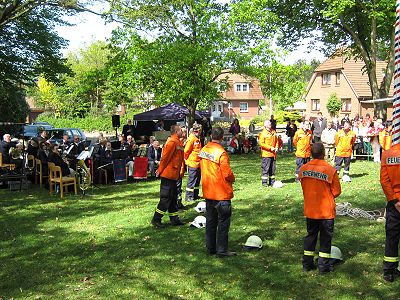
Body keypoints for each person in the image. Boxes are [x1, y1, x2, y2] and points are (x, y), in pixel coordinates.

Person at [299, 143, 341, 274]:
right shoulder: (330, 170)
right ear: (323, 153)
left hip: (310, 210)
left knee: (310, 236)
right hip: (326, 212)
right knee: (325, 239)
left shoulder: (303, 169)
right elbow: (337, 191)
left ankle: (307, 264)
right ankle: (323, 267)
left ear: (311, 153)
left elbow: (304, 186)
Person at [199, 127, 236, 257]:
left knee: (210, 221)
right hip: (221, 192)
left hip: (208, 191)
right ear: (222, 137)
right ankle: (222, 250)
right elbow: (227, 173)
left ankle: (211, 248)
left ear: (210, 136)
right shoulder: (221, 152)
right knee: (223, 222)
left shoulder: (203, 150)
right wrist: (233, 178)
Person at [151, 125, 185, 227]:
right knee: (166, 198)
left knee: (173, 198)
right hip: (168, 175)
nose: (182, 132)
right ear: (176, 131)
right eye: (180, 130)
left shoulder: (177, 141)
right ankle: (156, 219)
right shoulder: (171, 142)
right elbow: (165, 158)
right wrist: (160, 170)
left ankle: (174, 219)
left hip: (173, 175)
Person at [380, 140, 400, 282]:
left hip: (394, 203)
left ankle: (389, 270)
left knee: (392, 237)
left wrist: (394, 201)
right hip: (395, 202)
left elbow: (384, 180)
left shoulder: (387, 154)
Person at [184, 123, 203, 202]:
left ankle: (195, 194)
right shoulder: (191, 139)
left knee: (197, 180)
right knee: (191, 180)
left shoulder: (197, 138)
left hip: (198, 163)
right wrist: (187, 161)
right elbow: (186, 151)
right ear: (198, 130)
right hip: (192, 163)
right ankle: (188, 196)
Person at [258, 120, 279, 187]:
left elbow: (277, 141)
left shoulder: (274, 132)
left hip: (273, 154)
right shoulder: (263, 133)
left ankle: (272, 182)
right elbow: (261, 143)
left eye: (270, 123)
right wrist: (270, 148)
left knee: (272, 169)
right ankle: (264, 182)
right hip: (266, 154)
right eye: (268, 123)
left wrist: (276, 147)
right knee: (266, 168)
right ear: (265, 125)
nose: (270, 124)